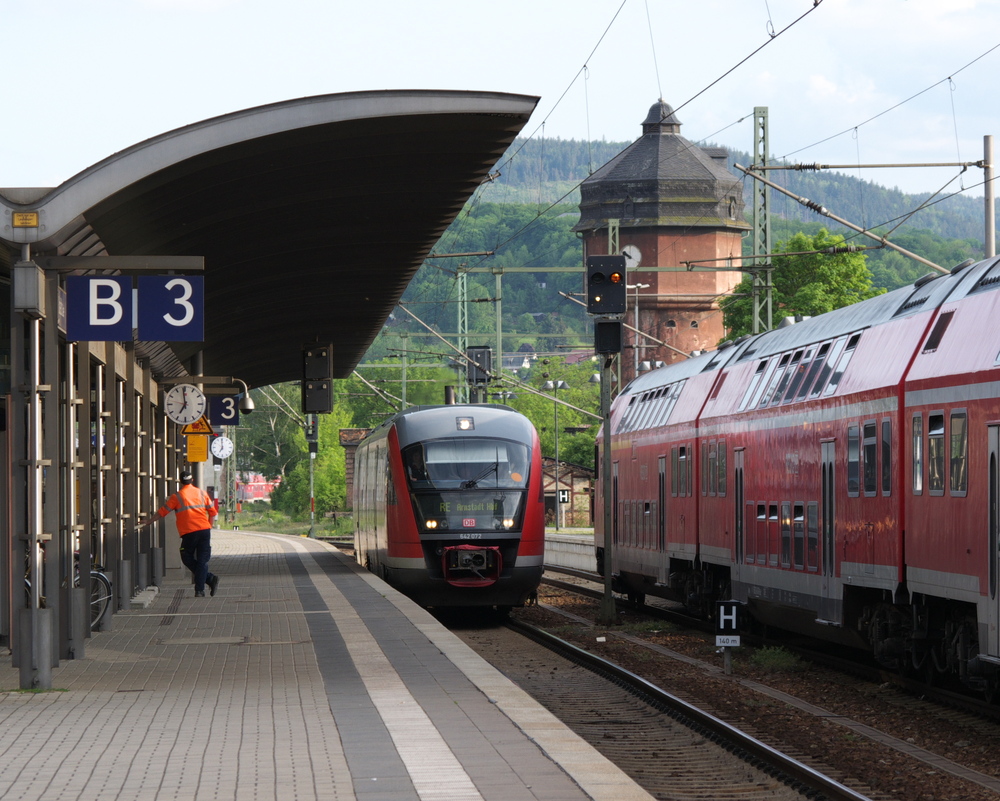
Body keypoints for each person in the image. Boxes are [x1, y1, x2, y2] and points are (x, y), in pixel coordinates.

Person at [140, 471, 219, 597]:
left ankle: (205, 583)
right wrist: (209, 526)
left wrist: (149, 521)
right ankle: (204, 584)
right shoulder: (202, 493)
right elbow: (213, 513)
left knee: (186, 557)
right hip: (204, 531)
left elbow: (162, 512)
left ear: (181, 481)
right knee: (202, 561)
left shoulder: (177, 496)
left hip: (189, 533)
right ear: (192, 479)